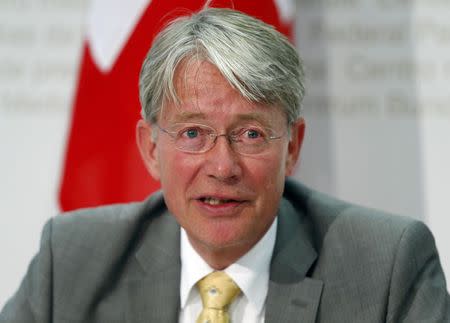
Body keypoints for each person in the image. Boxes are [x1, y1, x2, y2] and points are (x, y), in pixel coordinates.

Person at [1, 6, 449, 323]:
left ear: (292, 147)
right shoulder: (73, 261)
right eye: (193, 133)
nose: (222, 166)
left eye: (250, 134)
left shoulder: (387, 268)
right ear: (150, 148)